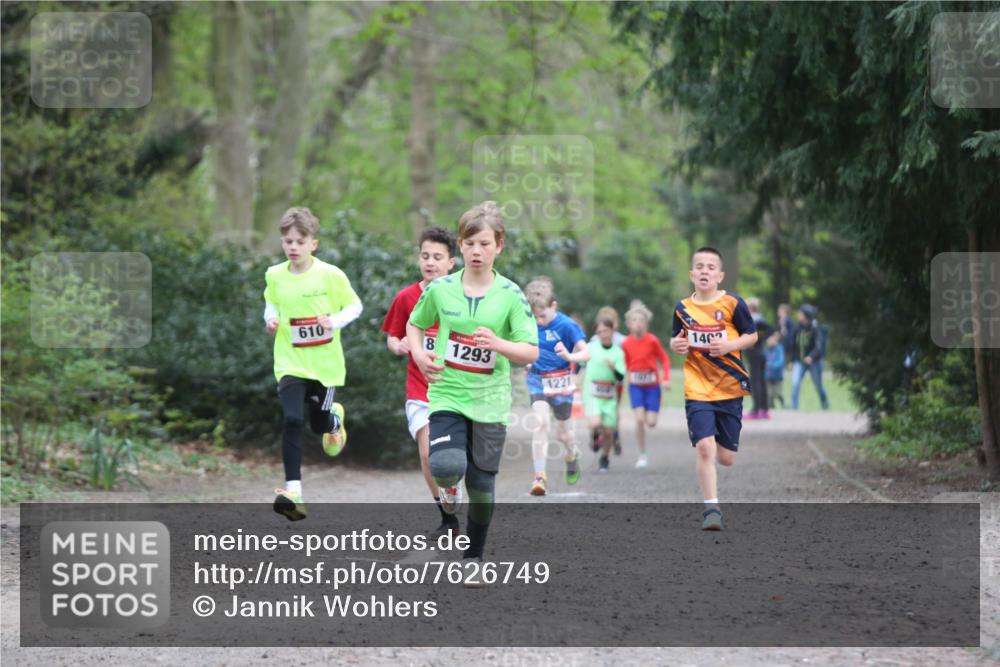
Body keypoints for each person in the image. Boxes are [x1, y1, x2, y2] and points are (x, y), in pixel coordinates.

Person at [406, 201, 538, 572]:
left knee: (481, 485)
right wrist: (418, 353)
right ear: (460, 247)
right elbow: (415, 325)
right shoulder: (441, 289)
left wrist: (498, 344)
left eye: (484, 244)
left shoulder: (511, 295)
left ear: (499, 246)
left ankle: (474, 556)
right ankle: (449, 491)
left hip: (491, 401)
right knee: (445, 465)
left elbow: (529, 351)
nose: (476, 251)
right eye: (469, 243)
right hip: (448, 391)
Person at [264, 207, 363, 521]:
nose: (293, 246)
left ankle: (334, 420)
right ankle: (294, 492)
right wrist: (270, 319)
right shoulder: (274, 274)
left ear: (313, 244)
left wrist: (333, 321)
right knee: (292, 419)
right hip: (290, 362)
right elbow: (271, 302)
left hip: (324, 365)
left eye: (300, 241)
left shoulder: (330, 274)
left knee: (318, 424)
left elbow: (355, 306)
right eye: (287, 241)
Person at [669, 246, 757, 531]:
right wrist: (676, 345)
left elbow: (752, 335)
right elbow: (676, 340)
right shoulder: (682, 308)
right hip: (697, 388)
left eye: (710, 267)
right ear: (691, 274)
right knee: (705, 448)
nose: (704, 271)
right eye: (699, 266)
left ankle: (722, 444)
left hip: (729, 387)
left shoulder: (733, 304)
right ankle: (711, 510)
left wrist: (730, 345)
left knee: (726, 458)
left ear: (719, 276)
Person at [382, 226, 458, 537]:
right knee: (428, 454)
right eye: (425, 256)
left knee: (455, 458)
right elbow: (393, 335)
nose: (430, 262)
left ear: (451, 262)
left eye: (437, 257)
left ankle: (455, 488)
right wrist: (398, 345)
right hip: (421, 389)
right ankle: (447, 517)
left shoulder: (462, 296)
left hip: (457, 390)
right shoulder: (406, 297)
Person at [523, 277, 590, 496]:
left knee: (565, 435)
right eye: (535, 316)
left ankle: (572, 454)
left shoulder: (567, 325)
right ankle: (539, 477)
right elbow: (523, 344)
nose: (539, 321)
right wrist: (526, 358)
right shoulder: (528, 322)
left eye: (542, 315)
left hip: (562, 382)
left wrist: (570, 355)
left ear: (554, 306)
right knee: (540, 423)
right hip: (537, 379)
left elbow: (586, 352)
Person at [621, 300, 670, 468]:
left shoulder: (652, 341)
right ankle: (642, 454)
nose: (638, 324)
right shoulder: (625, 343)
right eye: (634, 321)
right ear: (628, 324)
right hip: (635, 386)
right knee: (640, 419)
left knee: (651, 422)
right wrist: (625, 375)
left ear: (647, 324)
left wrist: (665, 379)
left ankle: (655, 405)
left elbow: (664, 359)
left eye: (641, 321)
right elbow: (625, 362)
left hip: (652, 386)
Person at [584, 315, 626, 473]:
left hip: (609, 395)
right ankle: (594, 435)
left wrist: (613, 368)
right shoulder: (591, 347)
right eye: (600, 331)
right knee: (595, 423)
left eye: (606, 330)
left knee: (609, 431)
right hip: (593, 393)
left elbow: (621, 377)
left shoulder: (618, 353)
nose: (603, 334)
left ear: (612, 331)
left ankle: (604, 458)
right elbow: (579, 361)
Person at [790, 304, 829, 410]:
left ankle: (824, 403)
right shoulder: (797, 328)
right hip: (799, 361)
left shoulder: (815, 329)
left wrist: (811, 356)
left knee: (818, 385)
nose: (798, 315)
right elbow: (792, 345)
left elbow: (819, 346)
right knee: (795, 383)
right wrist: (792, 360)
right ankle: (794, 408)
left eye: (800, 313)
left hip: (814, 362)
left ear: (806, 315)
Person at [744, 297, 774, 420]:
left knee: (755, 382)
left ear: (750, 308)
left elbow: (770, 330)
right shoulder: (759, 320)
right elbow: (771, 330)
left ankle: (755, 410)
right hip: (761, 354)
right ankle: (764, 410)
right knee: (761, 381)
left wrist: (756, 339)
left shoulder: (753, 320)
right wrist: (761, 337)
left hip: (755, 355)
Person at [764, 331, 785, 409]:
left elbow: (781, 361)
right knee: (769, 394)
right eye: (769, 340)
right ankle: (771, 408)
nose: (770, 341)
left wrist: (771, 365)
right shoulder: (765, 350)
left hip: (778, 376)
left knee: (777, 393)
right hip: (768, 376)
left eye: (772, 340)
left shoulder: (779, 349)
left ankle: (782, 402)